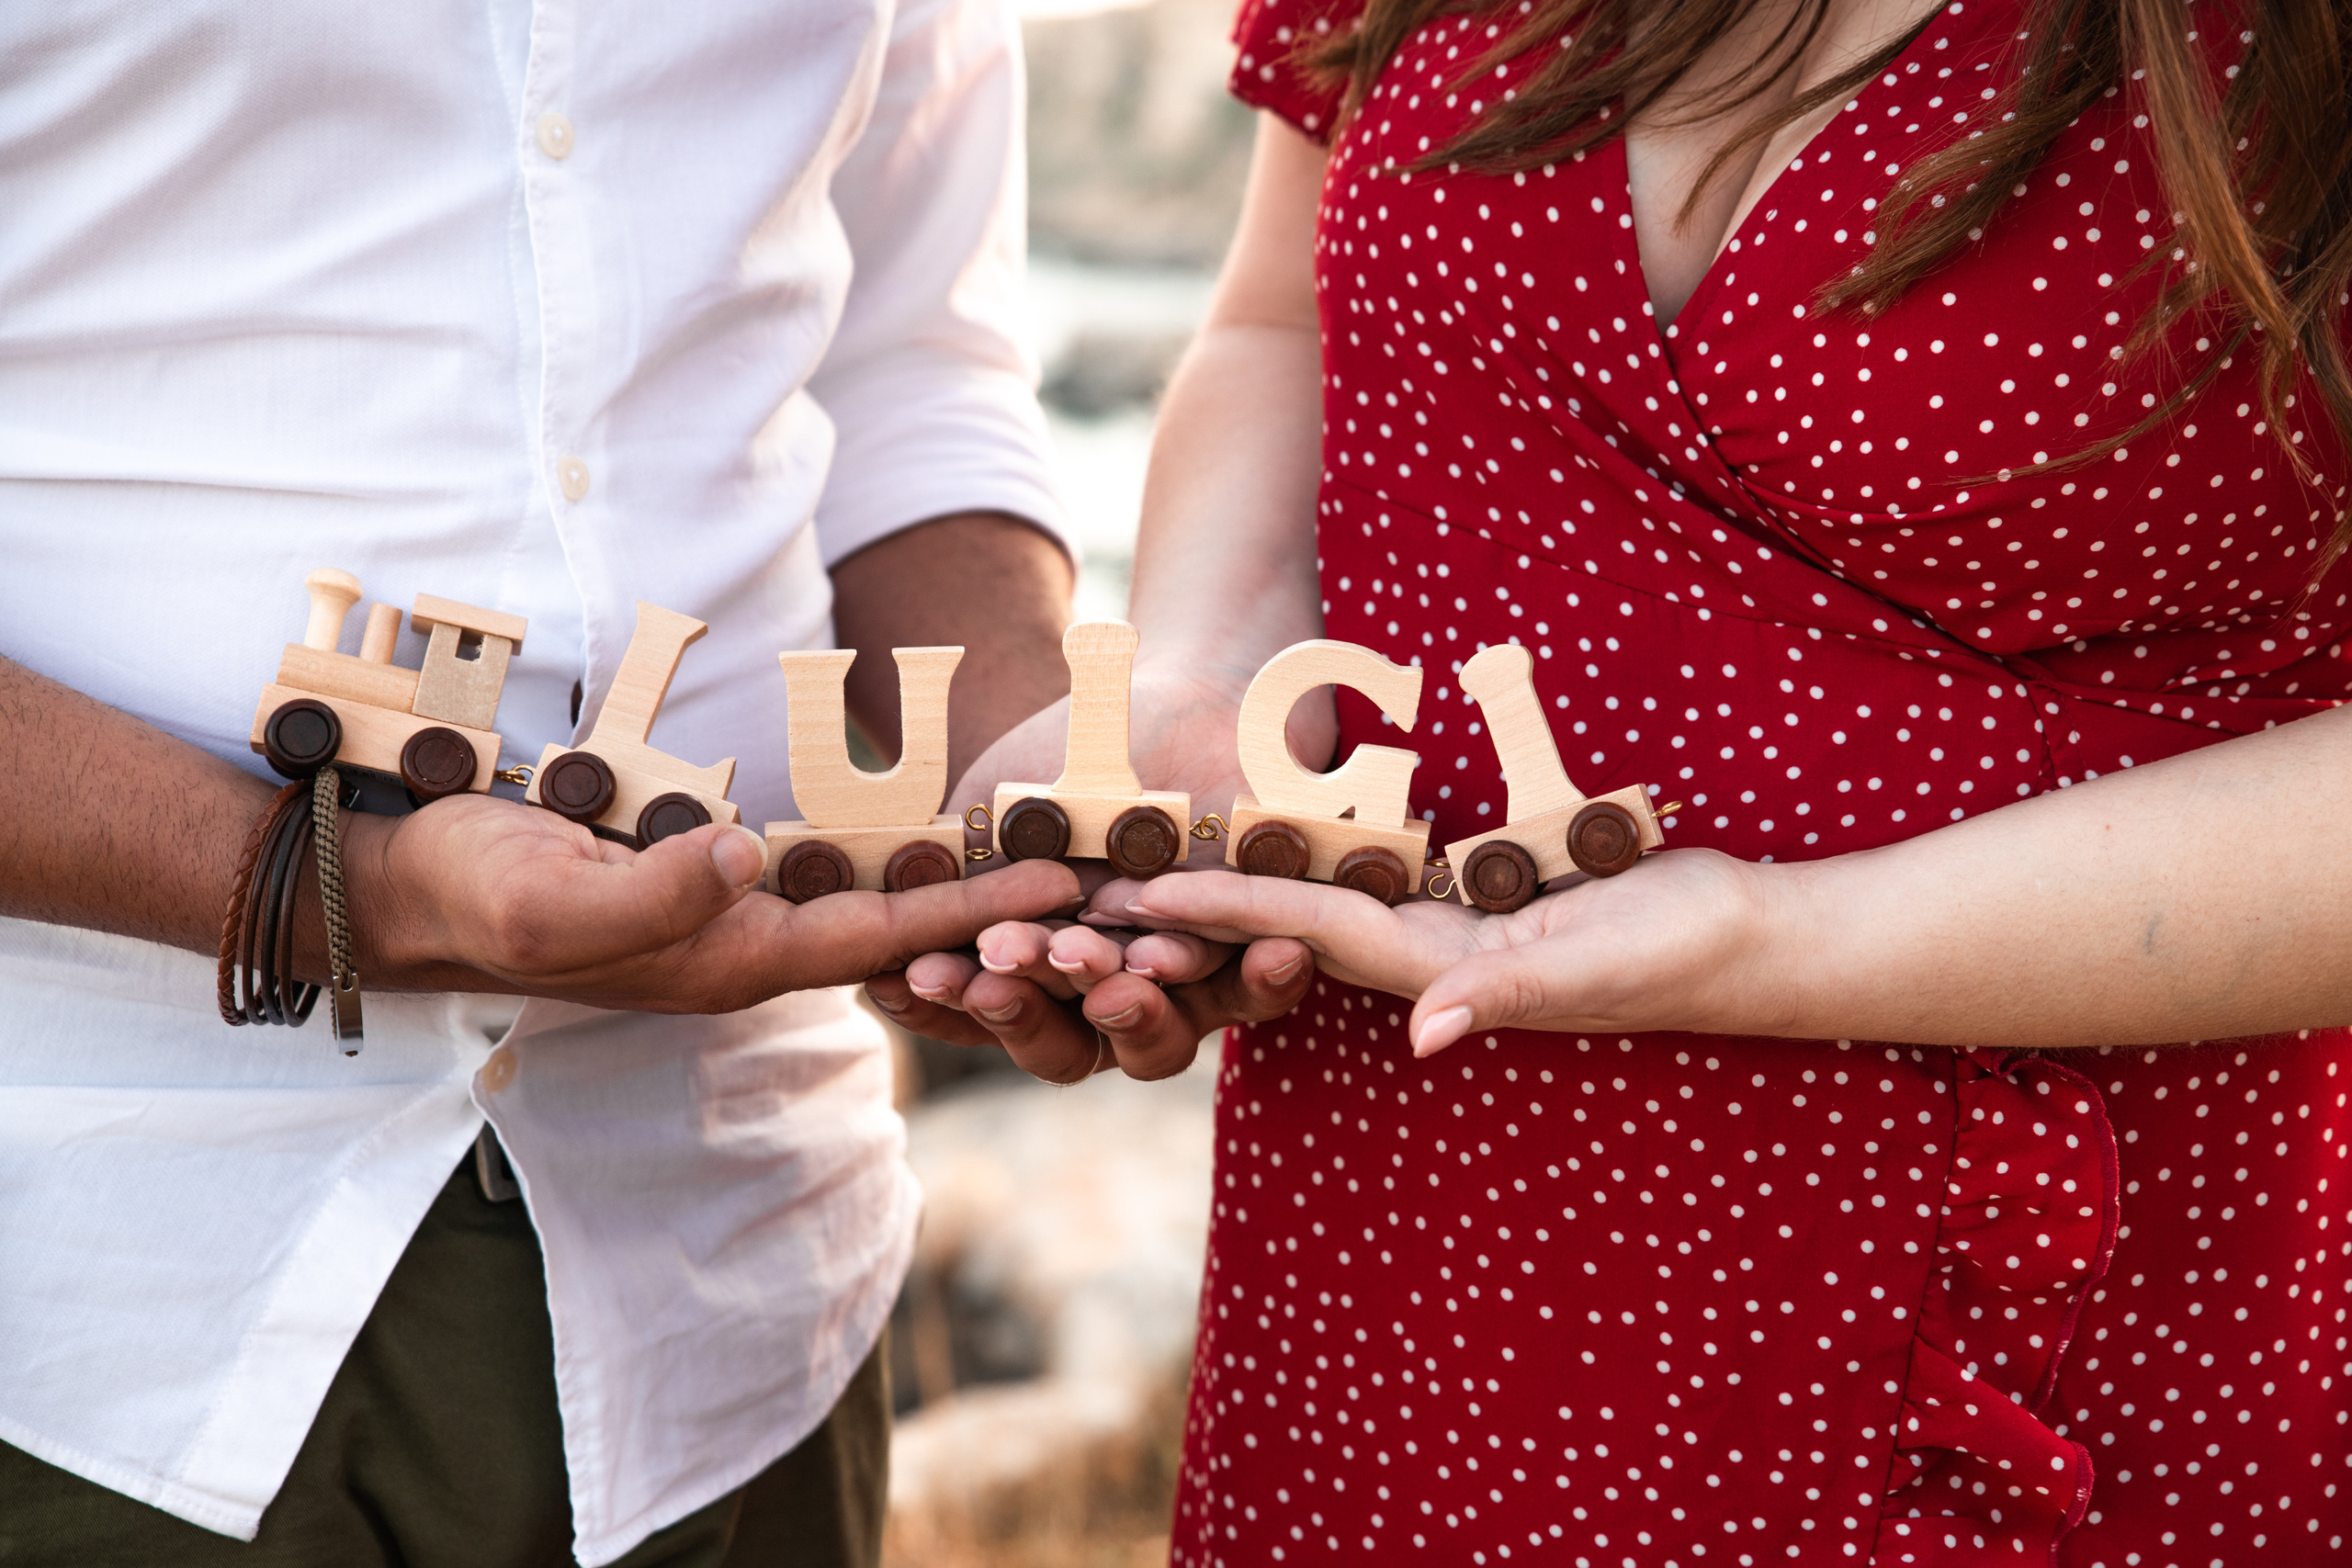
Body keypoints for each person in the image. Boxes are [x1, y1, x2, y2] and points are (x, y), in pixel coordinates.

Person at [871, 0, 2352, 1558]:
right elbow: (1280, 324)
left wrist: (1772, 938)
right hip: (1398, 1247)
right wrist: (1205, 684)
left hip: (2020, 1315)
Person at [0, 0, 1101, 1562]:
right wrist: (342, 896)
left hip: (740, 1268)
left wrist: (1041, 785)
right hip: (93, 1290)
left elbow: (909, 360)